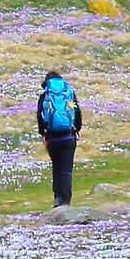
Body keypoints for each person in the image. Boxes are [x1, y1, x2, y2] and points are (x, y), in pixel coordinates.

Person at [35, 69, 82, 206]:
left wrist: (43, 133)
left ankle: (57, 198)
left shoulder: (45, 96)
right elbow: (76, 110)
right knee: (66, 169)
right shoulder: (69, 94)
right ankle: (66, 200)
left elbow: (40, 115)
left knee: (56, 168)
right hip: (68, 136)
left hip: (52, 137)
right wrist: (78, 128)